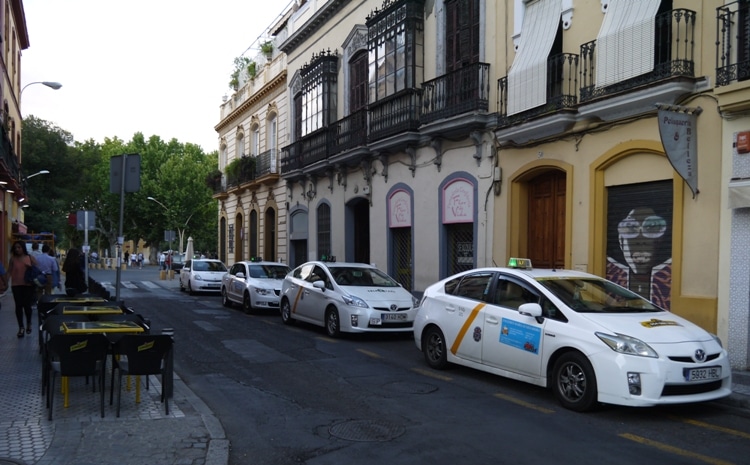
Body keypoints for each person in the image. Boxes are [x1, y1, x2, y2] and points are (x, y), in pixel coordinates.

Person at [8, 240, 37, 337]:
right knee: (18, 306)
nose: (17, 249)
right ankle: (21, 327)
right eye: (15, 248)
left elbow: (37, 270)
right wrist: (5, 283)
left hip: (28, 285)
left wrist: (30, 267)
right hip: (16, 285)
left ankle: (29, 323)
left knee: (27, 305)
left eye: (19, 247)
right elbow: (9, 271)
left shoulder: (30, 258)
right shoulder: (12, 259)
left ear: (23, 248)